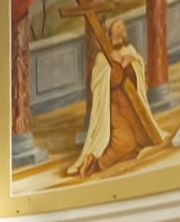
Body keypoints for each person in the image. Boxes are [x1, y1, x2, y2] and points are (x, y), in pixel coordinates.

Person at [66, 17, 164, 178]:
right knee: (122, 143)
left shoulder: (129, 49)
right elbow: (103, 80)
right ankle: (93, 163)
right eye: (116, 25)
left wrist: (130, 62)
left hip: (132, 104)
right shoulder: (102, 56)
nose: (119, 27)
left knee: (143, 138)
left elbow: (139, 68)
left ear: (124, 32)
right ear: (110, 32)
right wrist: (116, 66)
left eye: (121, 25)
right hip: (115, 107)